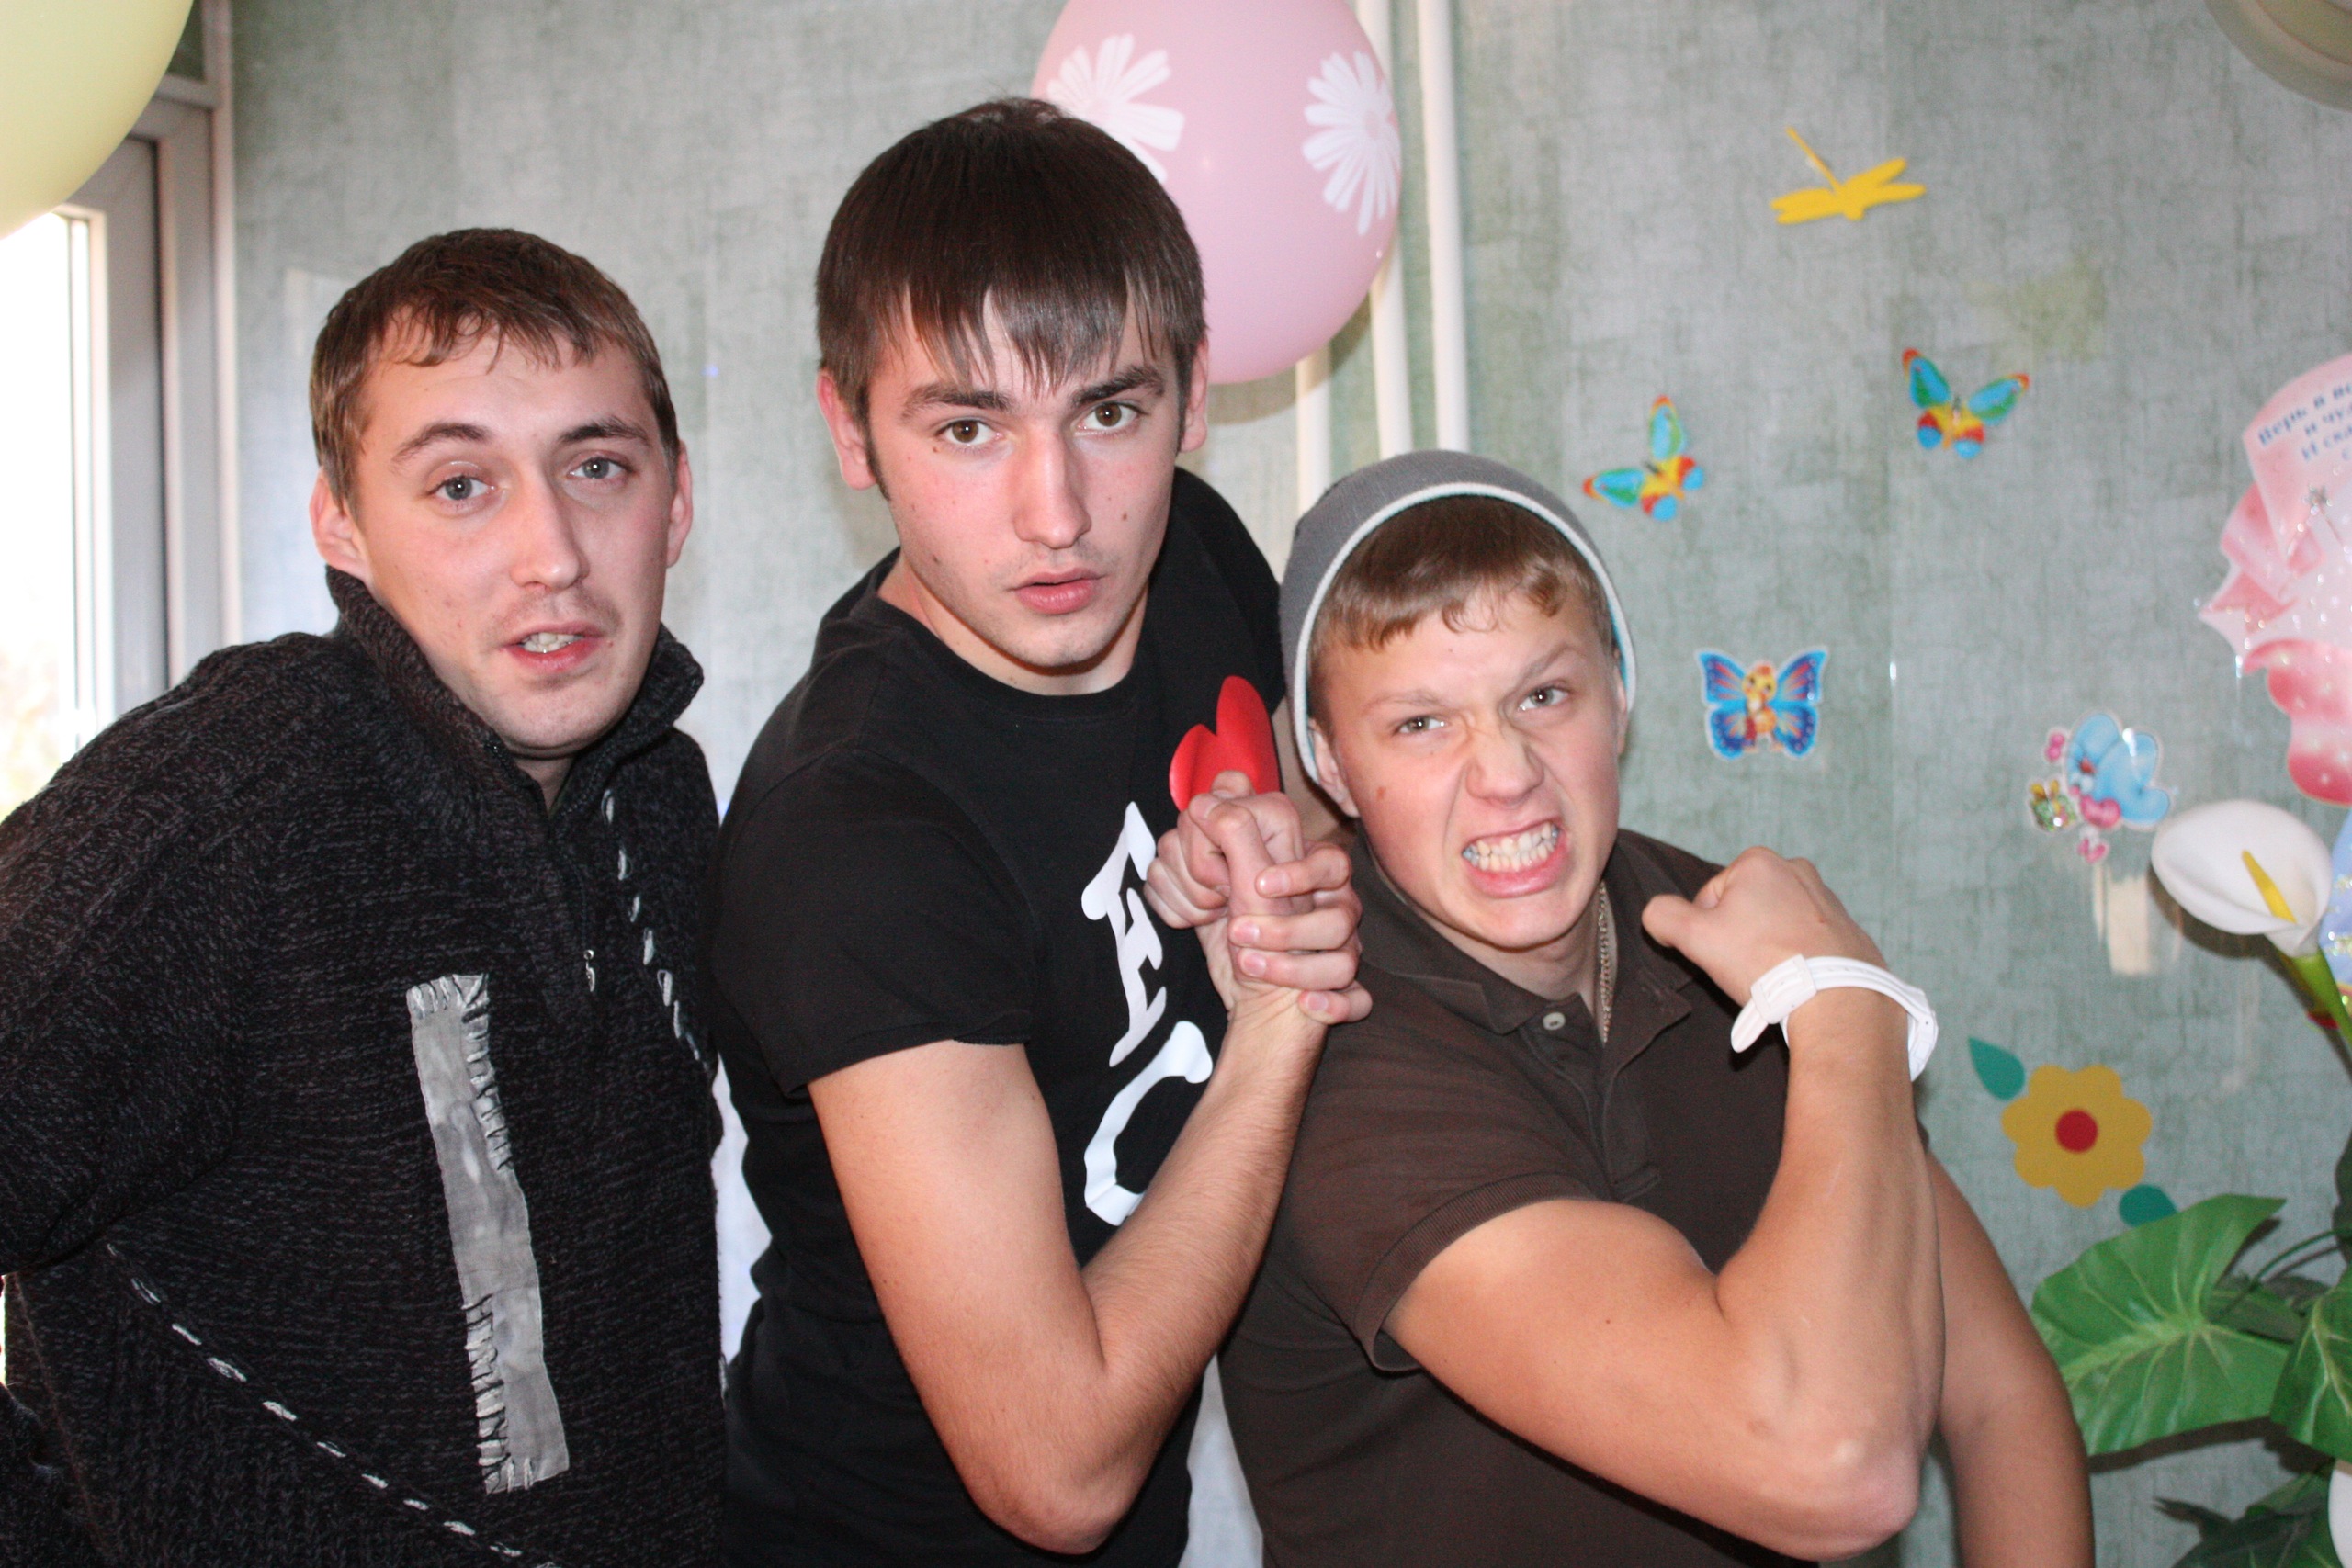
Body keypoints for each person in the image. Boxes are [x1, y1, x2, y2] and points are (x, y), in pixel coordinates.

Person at [1169, 452, 2093, 1566]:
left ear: (1620, 693)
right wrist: (1849, 1014)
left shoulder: (1715, 927)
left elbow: (1999, 1402)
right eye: (1420, 724)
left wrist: (1826, 1006)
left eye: (1541, 696)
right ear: (1328, 763)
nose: (1505, 774)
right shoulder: (1334, 1043)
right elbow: (1832, 1468)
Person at [0, 229, 726, 1566]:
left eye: (597, 466)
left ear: (674, 500)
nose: (551, 553)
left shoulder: (659, 796)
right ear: (341, 523)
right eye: (461, 485)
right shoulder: (227, 799)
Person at [707, 99, 1366, 1567]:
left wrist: (1276, 859)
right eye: (967, 426)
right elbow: (1056, 1469)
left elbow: (1322, 826)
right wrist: (1279, 1012)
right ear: (850, 430)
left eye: (1110, 411)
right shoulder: (857, 835)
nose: (1057, 512)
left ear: (1193, 395)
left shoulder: (1189, 552)